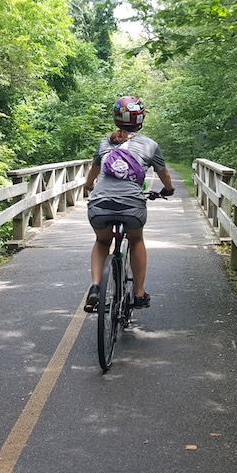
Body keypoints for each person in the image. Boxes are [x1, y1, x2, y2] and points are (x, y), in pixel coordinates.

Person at [83, 96, 174, 312]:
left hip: (100, 205)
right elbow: (165, 175)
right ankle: (139, 294)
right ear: (140, 120)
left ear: (116, 119)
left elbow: (92, 175)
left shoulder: (105, 143)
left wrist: (88, 186)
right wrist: (168, 190)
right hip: (132, 206)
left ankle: (95, 287)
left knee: (102, 241)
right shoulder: (150, 145)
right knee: (136, 239)